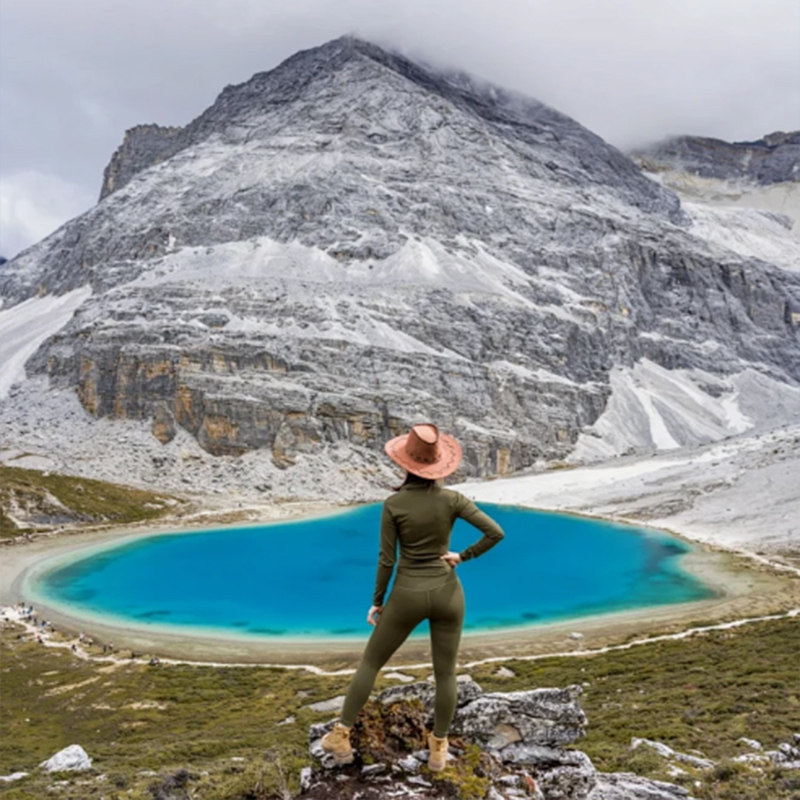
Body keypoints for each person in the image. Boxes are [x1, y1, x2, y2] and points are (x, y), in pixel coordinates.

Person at [322, 423, 504, 771]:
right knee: (446, 674)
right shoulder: (453, 499)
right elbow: (495, 532)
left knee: (371, 663)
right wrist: (462, 556)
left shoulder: (394, 504)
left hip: (407, 594)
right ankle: (438, 749)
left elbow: (386, 559)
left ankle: (341, 735)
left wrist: (378, 600)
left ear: (406, 463)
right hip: (448, 593)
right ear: (438, 464)